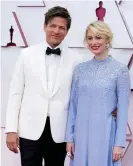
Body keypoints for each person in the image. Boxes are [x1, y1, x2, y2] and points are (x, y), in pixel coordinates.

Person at [5, 6, 74, 166]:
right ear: (44, 26)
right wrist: (11, 129)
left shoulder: (76, 59)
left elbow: (82, 95)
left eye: (61, 28)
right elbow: (15, 94)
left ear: (67, 31)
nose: (56, 31)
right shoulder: (26, 55)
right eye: (53, 26)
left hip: (59, 132)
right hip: (29, 130)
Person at [65, 21, 130, 166]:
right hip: (80, 136)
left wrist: (119, 144)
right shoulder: (80, 70)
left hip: (106, 135)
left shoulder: (120, 70)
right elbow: (73, 106)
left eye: (98, 37)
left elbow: (123, 109)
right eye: (90, 38)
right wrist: (69, 137)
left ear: (108, 40)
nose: (93, 42)